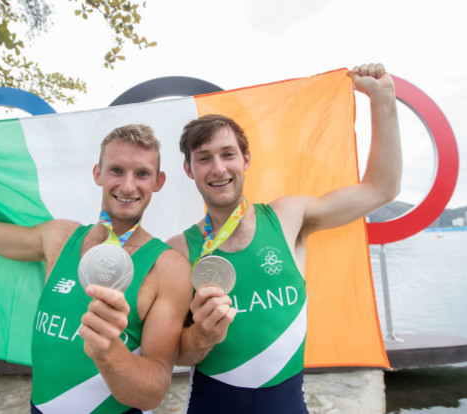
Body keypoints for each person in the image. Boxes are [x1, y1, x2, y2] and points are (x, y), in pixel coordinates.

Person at [0, 124, 193, 414]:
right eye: (117, 170)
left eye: (142, 174)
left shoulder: (166, 268)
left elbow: (153, 390)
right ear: (98, 174)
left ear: (158, 181)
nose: (127, 185)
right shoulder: (59, 238)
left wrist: (109, 351)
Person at [167, 63, 402, 413]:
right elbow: (174, 352)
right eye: (204, 159)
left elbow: (381, 188)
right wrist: (202, 335)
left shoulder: (288, 219)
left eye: (227, 154)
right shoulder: (179, 250)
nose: (218, 168)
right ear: (189, 170)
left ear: (246, 159)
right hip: (211, 403)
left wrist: (383, 101)